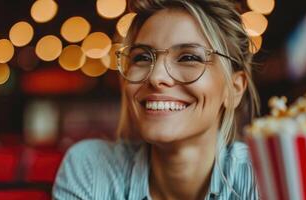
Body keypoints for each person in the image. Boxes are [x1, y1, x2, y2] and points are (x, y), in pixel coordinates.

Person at [53, 0, 260, 199]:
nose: (155, 77)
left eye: (189, 57)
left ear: (234, 89)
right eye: (142, 57)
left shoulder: (264, 176)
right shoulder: (91, 168)